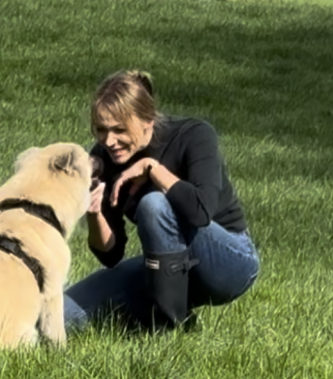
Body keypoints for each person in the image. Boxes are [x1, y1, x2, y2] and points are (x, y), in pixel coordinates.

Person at [64, 69, 259, 331]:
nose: (109, 141)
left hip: (228, 263)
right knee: (64, 314)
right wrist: (94, 212)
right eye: (101, 130)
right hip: (164, 269)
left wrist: (153, 169)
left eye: (119, 130)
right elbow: (111, 255)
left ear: (148, 121)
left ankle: (167, 326)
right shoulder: (106, 156)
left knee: (154, 204)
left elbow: (200, 212)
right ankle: (170, 313)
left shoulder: (195, 135)